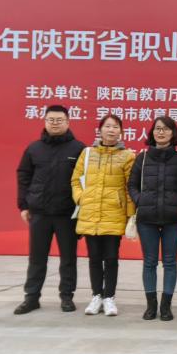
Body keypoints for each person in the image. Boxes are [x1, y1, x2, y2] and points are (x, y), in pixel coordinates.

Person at [14, 105, 86, 314]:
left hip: (67, 213)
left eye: (59, 120)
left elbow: (85, 180)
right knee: (37, 258)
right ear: (45, 122)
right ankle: (31, 298)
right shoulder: (34, 149)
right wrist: (23, 205)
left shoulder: (79, 149)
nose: (55, 123)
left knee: (68, 258)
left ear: (68, 122)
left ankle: (67, 297)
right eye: (51, 120)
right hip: (40, 213)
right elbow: (23, 176)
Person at [72, 113, 136, 317]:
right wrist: (81, 198)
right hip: (90, 212)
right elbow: (75, 180)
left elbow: (130, 187)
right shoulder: (87, 153)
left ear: (121, 131)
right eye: (107, 126)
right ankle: (96, 296)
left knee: (111, 258)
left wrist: (130, 215)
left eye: (115, 127)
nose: (111, 130)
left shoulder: (128, 156)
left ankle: (109, 297)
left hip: (114, 213)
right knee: (94, 258)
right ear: (100, 130)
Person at [129, 116, 177, 322]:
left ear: (173, 133)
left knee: (170, 262)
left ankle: (166, 306)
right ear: (152, 133)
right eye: (157, 129)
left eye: (166, 129)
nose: (161, 132)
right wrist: (140, 200)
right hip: (147, 218)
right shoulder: (142, 158)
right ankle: (151, 306)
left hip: (173, 218)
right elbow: (132, 185)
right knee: (150, 262)